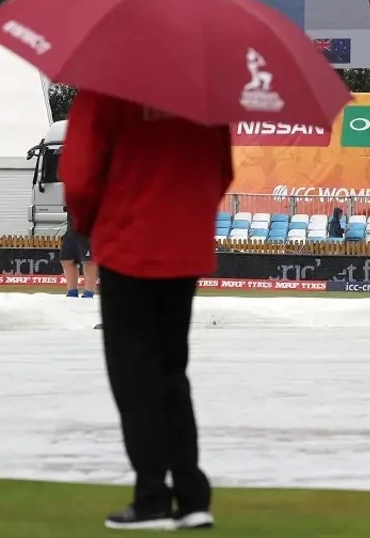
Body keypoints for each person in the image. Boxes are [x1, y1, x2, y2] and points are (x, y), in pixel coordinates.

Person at [60, 91, 232, 530]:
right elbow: (222, 170)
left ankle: (152, 497)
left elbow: (79, 178)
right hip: (184, 249)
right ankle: (192, 497)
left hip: (127, 247)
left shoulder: (101, 93)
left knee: (134, 378)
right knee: (172, 373)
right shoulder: (203, 97)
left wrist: (90, 225)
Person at [59, 210, 97, 298]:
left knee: (89, 261)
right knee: (66, 260)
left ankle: (89, 293)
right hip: (72, 228)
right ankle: (72, 292)